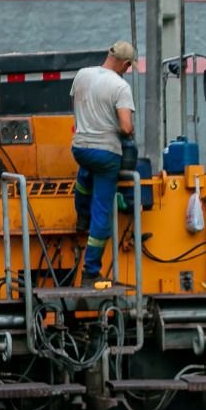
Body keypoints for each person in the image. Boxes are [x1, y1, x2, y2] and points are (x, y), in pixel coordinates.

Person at [71, 40, 138, 282]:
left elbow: (76, 109)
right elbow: (126, 126)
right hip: (106, 154)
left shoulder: (82, 75)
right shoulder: (120, 87)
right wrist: (127, 132)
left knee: (85, 174)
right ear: (126, 63)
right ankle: (91, 271)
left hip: (80, 148)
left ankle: (81, 215)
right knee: (102, 210)